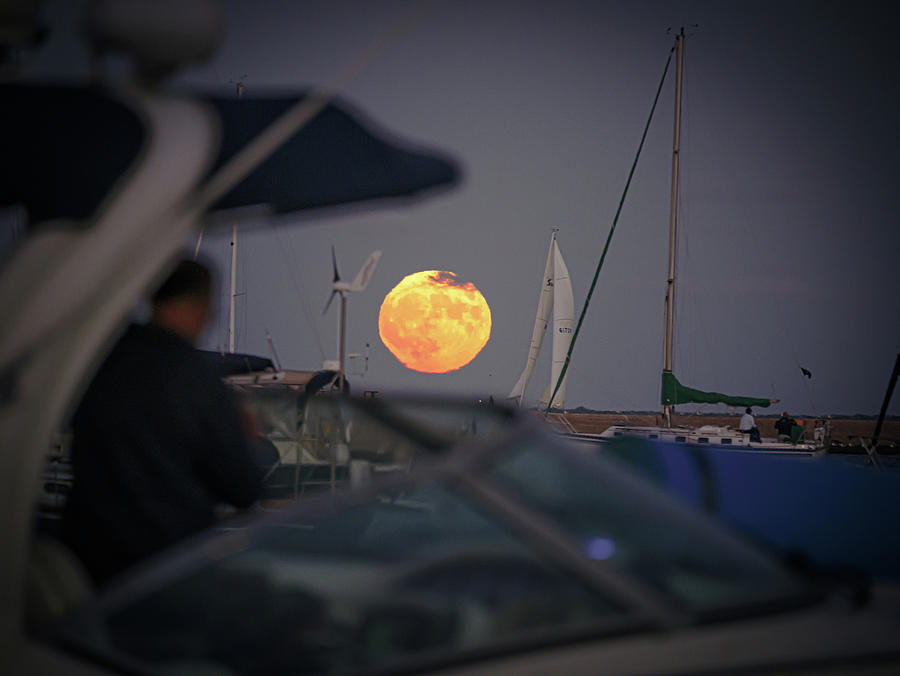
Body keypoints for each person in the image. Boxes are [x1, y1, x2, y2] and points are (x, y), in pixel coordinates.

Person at [62, 260, 263, 586]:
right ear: (202, 306)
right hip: (164, 569)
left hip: (87, 559)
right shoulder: (198, 381)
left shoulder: (101, 362)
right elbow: (243, 488)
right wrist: (249, 440)